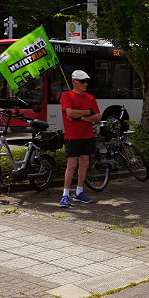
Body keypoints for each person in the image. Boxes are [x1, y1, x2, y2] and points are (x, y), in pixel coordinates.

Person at [59, 70, 101, 208]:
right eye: (82, 81)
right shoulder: (66, 95)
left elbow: (98, 116)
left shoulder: (90, 98)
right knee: (71, 165)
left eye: (86, 81)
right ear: (74, 82)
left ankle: (79, 192)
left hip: (87, 135)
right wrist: (88, 113)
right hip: (72, 136)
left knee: (84, 163)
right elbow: (69, 112)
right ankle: (65, 195)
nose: (85, 84)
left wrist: (81, 116)